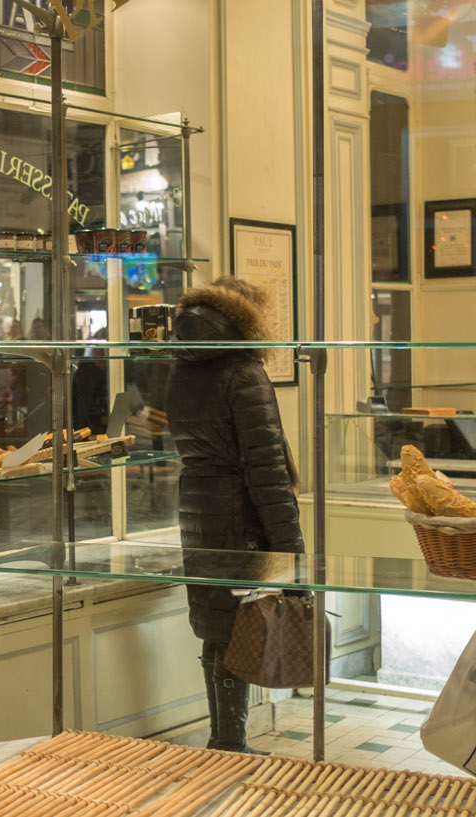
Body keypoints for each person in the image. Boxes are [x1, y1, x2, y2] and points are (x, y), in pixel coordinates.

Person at [166, 277, 302, 754]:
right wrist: (294, 553)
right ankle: (227, 742)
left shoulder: (183, 366)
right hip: (240, 515)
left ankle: (226, 738)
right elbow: (267, 472)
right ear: (249, 318)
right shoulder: (244, 371)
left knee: (217, 627)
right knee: (236, 626)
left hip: (198, 507)